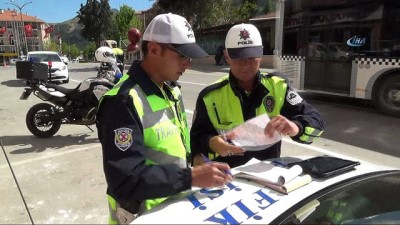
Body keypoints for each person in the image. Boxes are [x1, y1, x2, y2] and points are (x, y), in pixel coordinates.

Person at [96, 13, 232, 224]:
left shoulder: (171, 90)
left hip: (173, 208)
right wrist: (191, 177)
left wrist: (196, 160)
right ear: (153, 49)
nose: (188, 64)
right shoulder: (123, 101)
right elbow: (123, 180)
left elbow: (173, 148)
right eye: (182, 56)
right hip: (143, 216)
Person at [190, 23, 325, 168]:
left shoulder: (278, 86)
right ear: (226, 56)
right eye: (239, 58)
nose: (246, 65)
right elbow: (195, 143)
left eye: (251, 57)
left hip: (269, 179)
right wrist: (212, 143)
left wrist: (296, 128)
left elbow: (316, 121)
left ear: (261, 54)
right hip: (228, 180)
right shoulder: (210, 96)